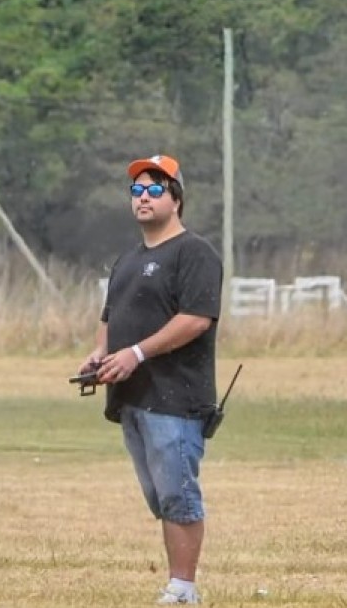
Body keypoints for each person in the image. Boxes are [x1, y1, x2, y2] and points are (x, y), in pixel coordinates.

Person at [78, 154, 222, 605]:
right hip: (134, 398)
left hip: (176, 397)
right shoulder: (128, 259)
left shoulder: (194, 252)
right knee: (159, 497)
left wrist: (136, 353)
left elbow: (196, 318)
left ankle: (183, 588)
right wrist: (99, 354)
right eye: (137, 190)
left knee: (178, 495)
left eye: (155, 189)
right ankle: (177, 585)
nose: (143, 197)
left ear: (175, 199)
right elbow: (110, 317)